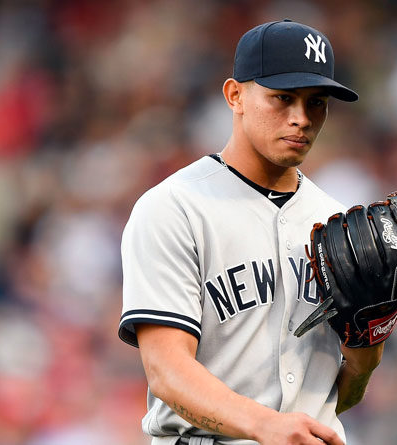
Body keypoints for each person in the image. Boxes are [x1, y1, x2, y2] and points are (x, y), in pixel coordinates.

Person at [118, 19, 381, 445]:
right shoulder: (175, 208)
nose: (301, 119)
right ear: (235, 95)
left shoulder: (337, 224)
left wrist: (372, 339)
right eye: (283, 98)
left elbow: (338, 396)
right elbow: (167, 371)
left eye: (316, 102)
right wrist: (263, 424)